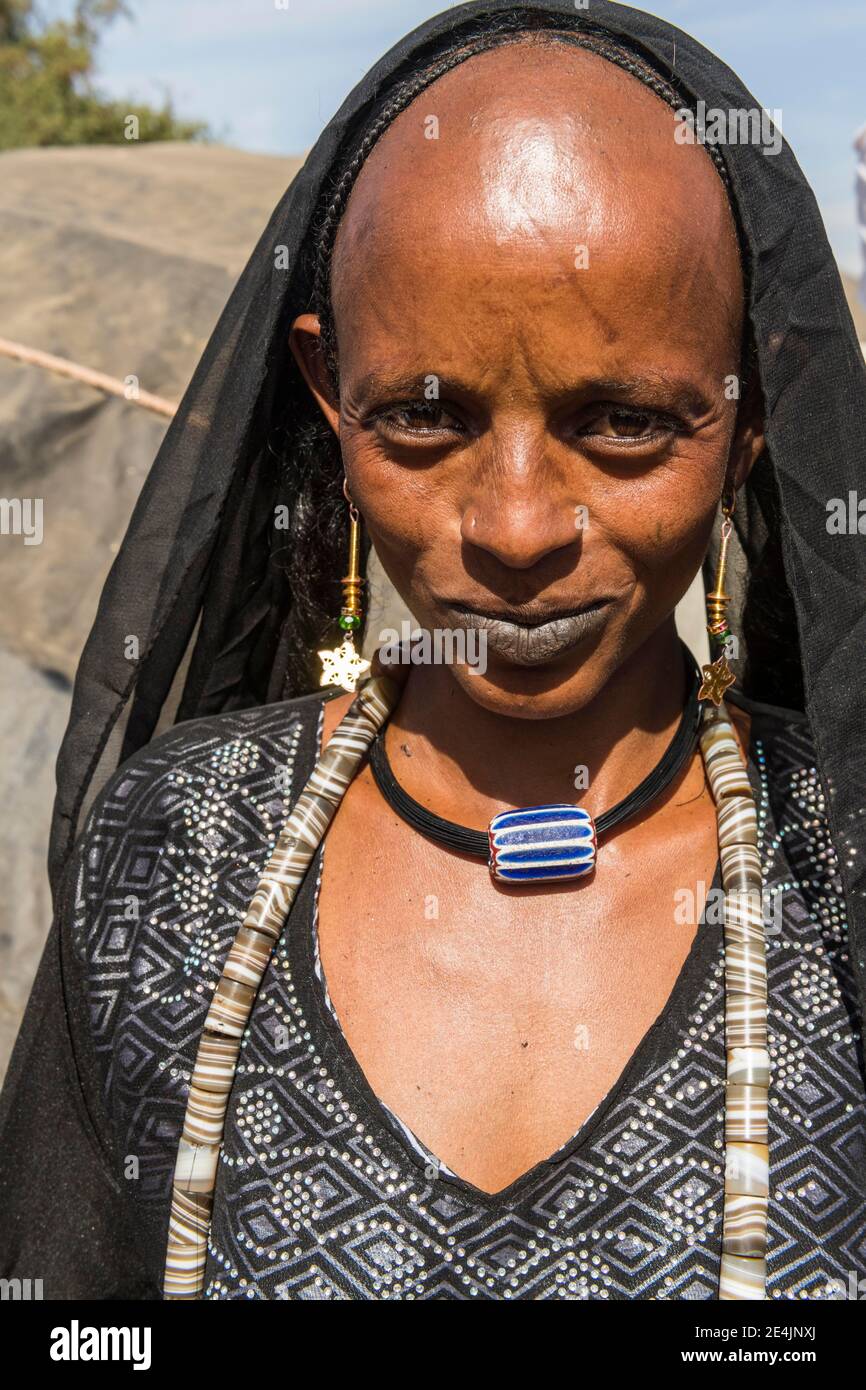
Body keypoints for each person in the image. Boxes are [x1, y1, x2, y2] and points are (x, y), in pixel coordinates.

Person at [1, 1, 864, 1303]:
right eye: (420, 416)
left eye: (623, 421)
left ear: (745, 418)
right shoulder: (178, 857)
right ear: (326, 391)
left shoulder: (841, 863)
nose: (515, 526)